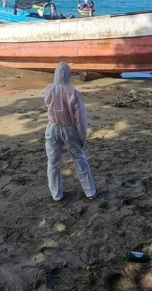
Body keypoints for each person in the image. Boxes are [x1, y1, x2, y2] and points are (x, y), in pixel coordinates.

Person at [44, 62, 97, 201]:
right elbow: (80, 119)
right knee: (79, 158)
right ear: (68, 74)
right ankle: (90, 191)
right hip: (68, 129)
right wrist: (82, 136)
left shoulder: (48, 90)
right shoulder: (73, 92)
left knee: (53, 162)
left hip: (52, 127)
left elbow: (49, 109)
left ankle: (56, 194)